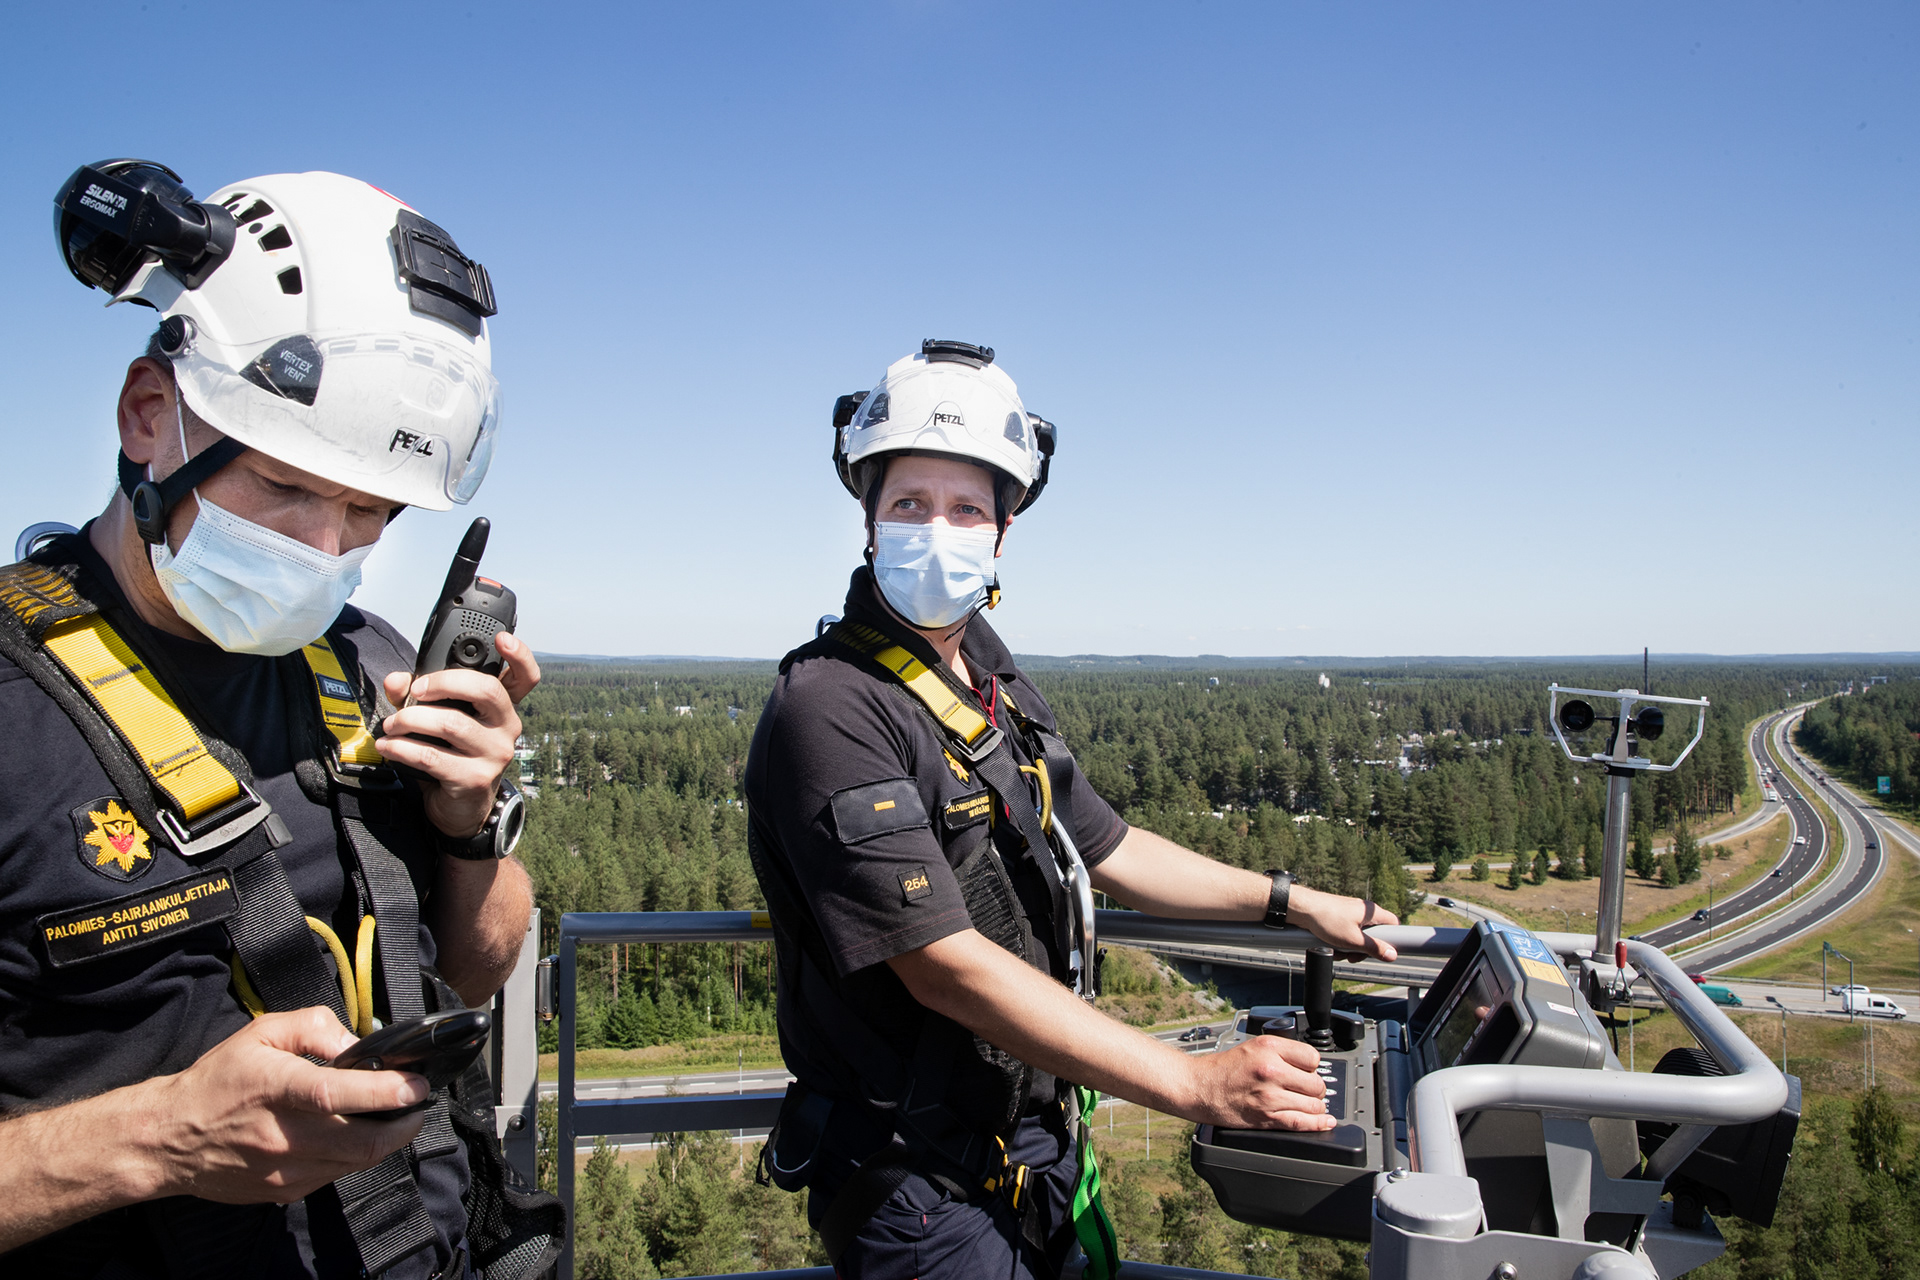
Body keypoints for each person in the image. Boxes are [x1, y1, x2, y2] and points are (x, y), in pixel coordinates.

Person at [0, 162, 556, 1278]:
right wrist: (155, 1137)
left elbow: (477, 966)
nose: (326, 548)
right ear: (152, 414)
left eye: (369, 512)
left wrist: (467, 820)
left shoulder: (370, 665)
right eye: (289, 487)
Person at [744, 339, 1399, 1279]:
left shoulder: (992, 682)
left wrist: (1293, 903)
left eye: (968, 506)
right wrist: (1190, 1080)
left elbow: (1112, 847)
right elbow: (941, 966)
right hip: (917, 1190)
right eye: (910, 504)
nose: (939, 528)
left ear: (1004, 531)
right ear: (868, 518)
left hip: (1032, 1151)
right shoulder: (832, 703)